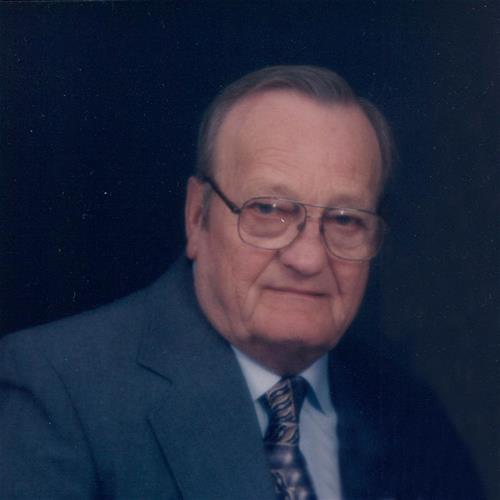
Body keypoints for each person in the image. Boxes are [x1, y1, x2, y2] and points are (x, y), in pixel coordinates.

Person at [0, 66, 483, 499]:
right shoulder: (59, 390)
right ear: (197, 216)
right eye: (268, 210)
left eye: (345, 220)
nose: (308, 258)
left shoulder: (408, 414)